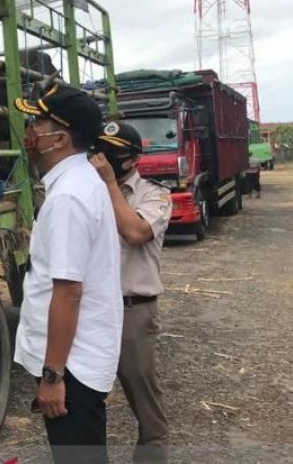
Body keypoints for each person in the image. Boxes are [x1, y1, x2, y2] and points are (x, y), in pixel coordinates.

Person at [13, 85, 123, 464]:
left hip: (71, 367)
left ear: (58, 138)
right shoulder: (79, 184)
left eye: (36, 123)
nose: (28, 133)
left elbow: (68, 292)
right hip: (77, 359)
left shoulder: (67, 197)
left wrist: (52, 376)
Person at [91, 122, 172, 464]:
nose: (105, 157)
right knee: (86, 397)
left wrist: (109, 183)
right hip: (93, 311)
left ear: (133, 158)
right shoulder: (89, 191)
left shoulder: (155, 195)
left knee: (144, 403)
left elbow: (135, 232)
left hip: (132, 312)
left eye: (115, 151)